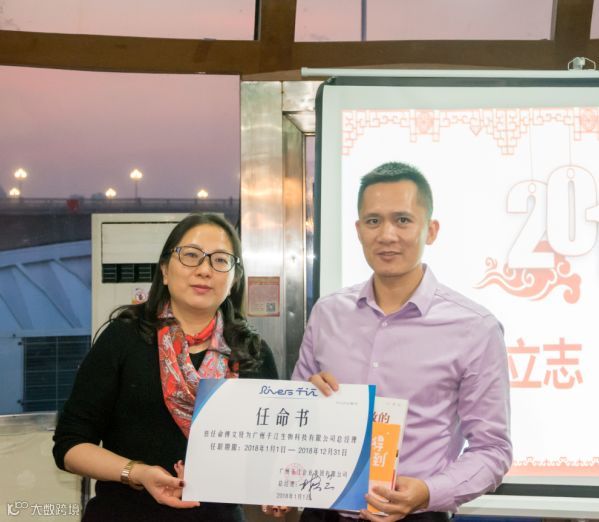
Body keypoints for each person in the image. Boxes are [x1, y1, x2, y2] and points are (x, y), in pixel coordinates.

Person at [292, 162, 512, 522]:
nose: (387, 235)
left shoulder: (475, 328)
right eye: (373, 221)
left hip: (417, 514)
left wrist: (428, 492)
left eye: (403, 220)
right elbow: (294, 422)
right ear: (359, 230)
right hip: (323, 512)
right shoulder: (327, 313)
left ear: (431, 231)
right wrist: (307, 399)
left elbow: (492, 449)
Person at [53, 213, 279, 521]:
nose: (204, 270)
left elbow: (269, 452)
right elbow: (70, 444)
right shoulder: (123, 338)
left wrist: (277, 486)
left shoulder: (252, 352)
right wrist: (137, 473)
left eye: (220, 260)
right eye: (191, 256)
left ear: (234, 279)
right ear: (165, 271)